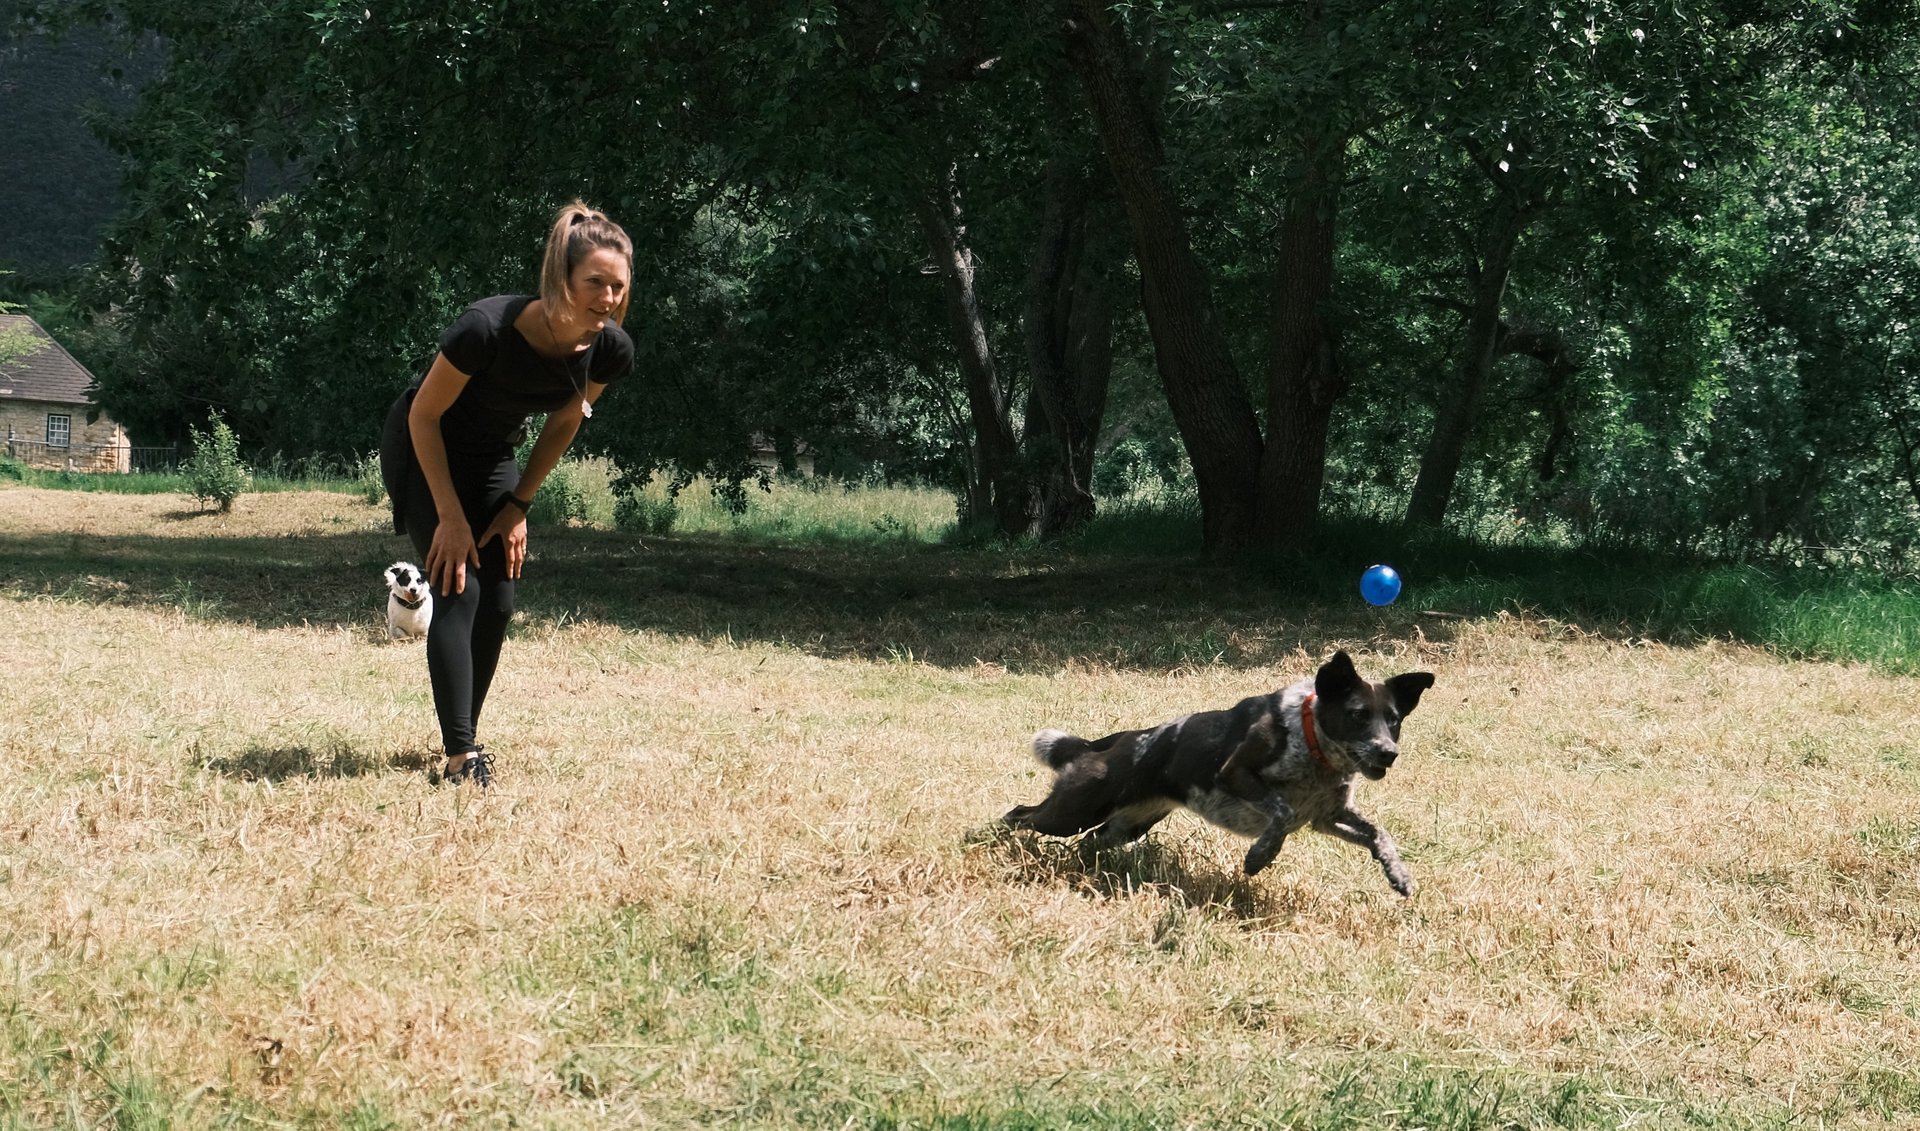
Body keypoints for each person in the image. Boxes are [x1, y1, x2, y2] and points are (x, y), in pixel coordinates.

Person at [379, 200, 635, 787]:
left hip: (493, 455)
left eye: (618, 286)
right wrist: (449, 515)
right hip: (427, 447)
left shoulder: (610, 350)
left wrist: (519, 503)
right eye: (595, 282)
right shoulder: (485, 329)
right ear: (561, 278)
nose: (608, 298)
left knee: (499, 597)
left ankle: (463, 736)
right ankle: (461, 756)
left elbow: (566, 420)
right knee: (457, 582)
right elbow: (424, 416)